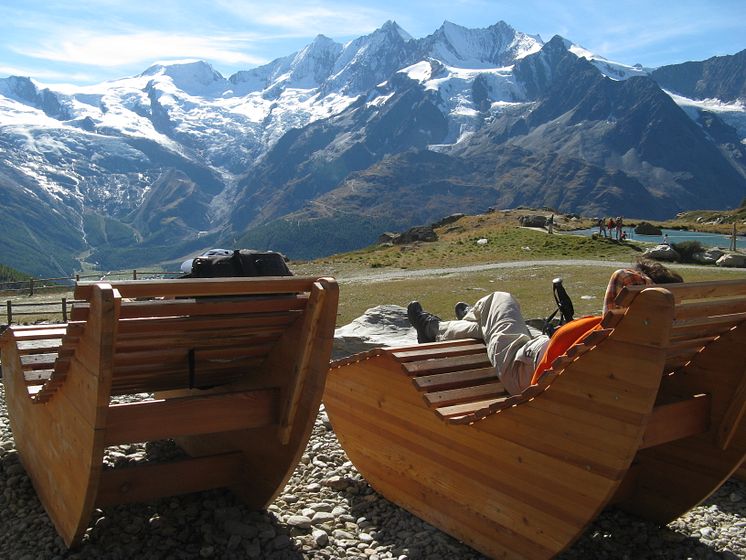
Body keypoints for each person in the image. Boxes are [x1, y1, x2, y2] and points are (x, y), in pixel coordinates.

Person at [407, 259, 683, 396]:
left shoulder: (622, 327)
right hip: (537, 353)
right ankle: (469, 321)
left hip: (523, 371)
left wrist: (643, 292)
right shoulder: (653, 340)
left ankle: (436, 329)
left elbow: (623, 277)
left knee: (500, 298)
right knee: (499, 324)